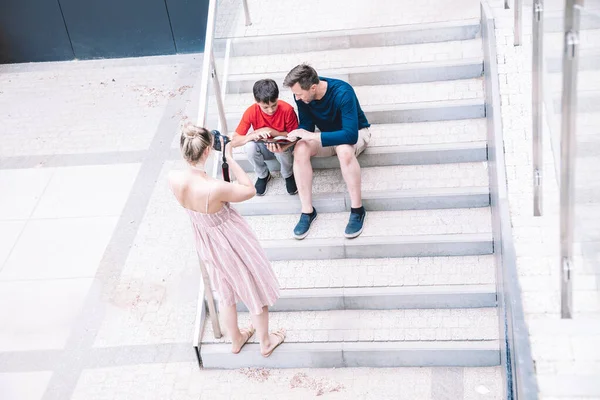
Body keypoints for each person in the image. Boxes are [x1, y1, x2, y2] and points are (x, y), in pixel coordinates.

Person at [168, 122, 285, 357]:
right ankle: (265, 342)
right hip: (230, 239)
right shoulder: (214, 188)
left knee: (225, 290)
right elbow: (249, 190)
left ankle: (236, 339)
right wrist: (230, 158)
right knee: (253, 285)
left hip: (206, 241)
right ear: (207, 152)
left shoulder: (174, 179)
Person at [271, 64, 371, 240]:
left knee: (344, 151)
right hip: (326, 137)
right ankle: (307, 211)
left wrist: (310, 136)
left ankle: (357, 210)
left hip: (356, 134)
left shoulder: (343, 92)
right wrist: (287, 143)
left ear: (313, 87)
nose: (296, 98)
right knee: (300, 149)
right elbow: (307, 127)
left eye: (299, 94)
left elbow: (349, 135)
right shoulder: (303, 97)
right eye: (295, 94)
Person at [230, 79, 299, 196]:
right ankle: (263, 175)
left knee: (280, 149)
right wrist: (254, 134)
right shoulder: (251, 111)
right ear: (257, 102)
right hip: (264, 146)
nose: (271, 110)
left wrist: (274, 132)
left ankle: (288, 174)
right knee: (249, 146)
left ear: (278, 97)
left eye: (274, 105)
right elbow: (235, 141)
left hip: (283, 147)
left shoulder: (287, 109)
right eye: (265, 107)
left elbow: (295, 136)